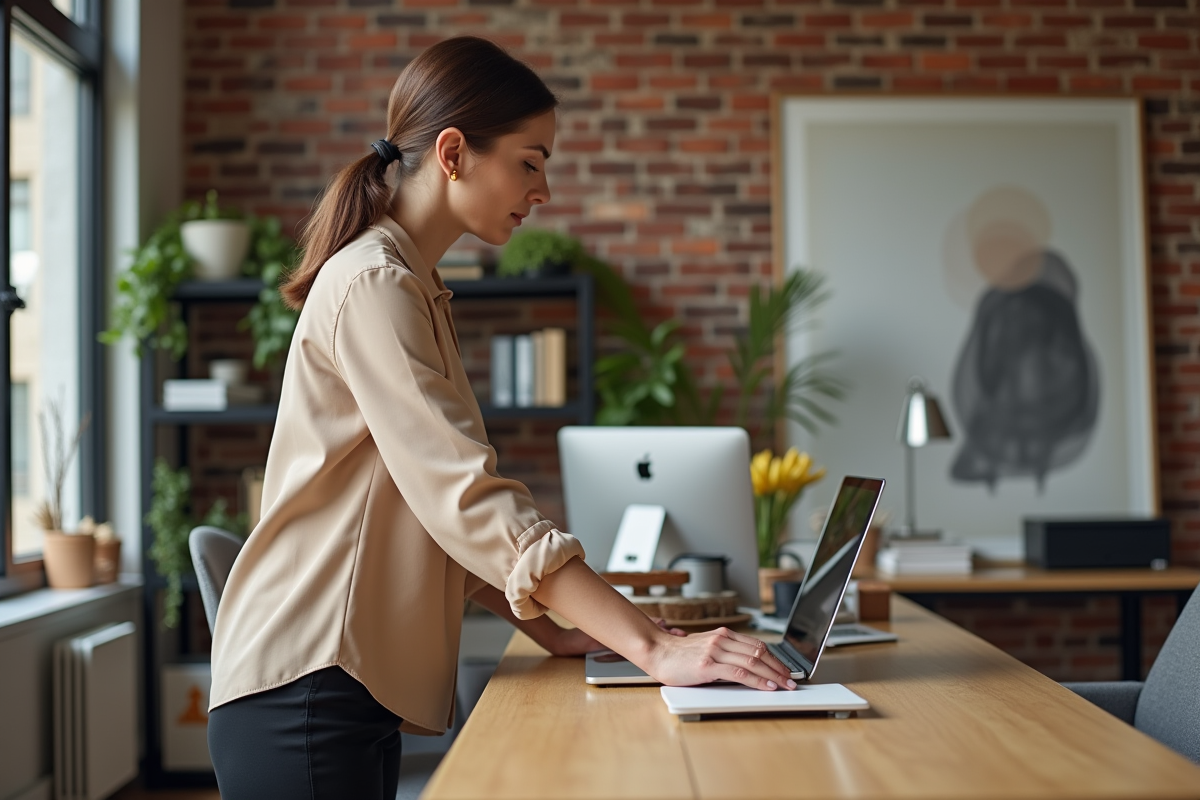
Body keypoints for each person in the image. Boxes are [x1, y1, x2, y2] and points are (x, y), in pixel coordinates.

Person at [206, 36, 794, 800]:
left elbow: (430, 516)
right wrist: (654, 647)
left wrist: (552, 625)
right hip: (307, 687)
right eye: (529, 160)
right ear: (453, 153)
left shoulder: (412, 285)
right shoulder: (376, 285)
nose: (543, 189)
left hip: (336, 686)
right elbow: (467, 499)